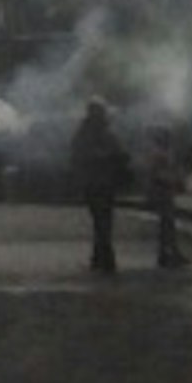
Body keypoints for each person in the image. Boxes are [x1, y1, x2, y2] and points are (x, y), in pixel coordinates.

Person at [68, 98, 129, 273]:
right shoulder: (97, 134)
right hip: (100, 182)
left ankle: (98, 257)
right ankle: (106, 258)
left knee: (100, 220)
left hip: (96, 182)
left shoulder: (85, 134)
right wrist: (108, 157)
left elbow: (76, 157)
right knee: (104, 221)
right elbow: (118, 153)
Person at [138, 124, 190, 269]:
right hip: (161, 192)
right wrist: (176, 180)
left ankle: (169, 253)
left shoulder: (160, 153)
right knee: (167, 224)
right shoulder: (159, 154)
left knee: (168, 224)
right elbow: (159, 174)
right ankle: (168, 254)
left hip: (163, 191)